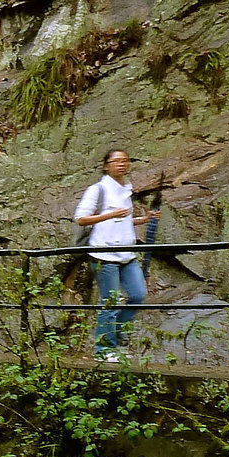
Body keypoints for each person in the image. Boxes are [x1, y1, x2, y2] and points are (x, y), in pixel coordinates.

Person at [75, 148, 150, 361]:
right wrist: (110, 214)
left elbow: (121, 220)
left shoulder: (126, 189)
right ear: (106, 165)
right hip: (103, 254)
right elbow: (80, 218)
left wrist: (141, 220)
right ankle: (103, 350)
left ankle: (115, 332)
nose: (122, 164)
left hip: (127, 254)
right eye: (116, 161)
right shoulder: (97, 190)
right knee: (110, 302)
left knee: (138, 295)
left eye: (125, 160)